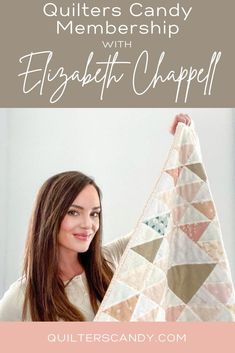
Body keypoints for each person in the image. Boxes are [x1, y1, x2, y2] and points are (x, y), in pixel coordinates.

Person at [0, 114, 191, 321]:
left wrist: (181, 145)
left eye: (94, 214)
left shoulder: (110, 260)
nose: (88, 224)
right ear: (49, 216)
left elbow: (165, 215)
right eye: (74, 212)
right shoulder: (19, 300)